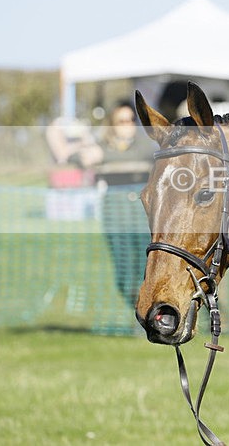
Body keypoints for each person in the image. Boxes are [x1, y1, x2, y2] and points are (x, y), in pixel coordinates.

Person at [88, 101, 155, 309]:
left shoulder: (144, 145)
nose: (128, 124)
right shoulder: (101, 144)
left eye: (131, 120)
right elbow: (77, 156)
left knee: (146, 268)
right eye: (122, 120)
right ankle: (139, 310)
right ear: (112, 124)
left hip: (141, 214)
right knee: (125, 275)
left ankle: (148, 315)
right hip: (115, 214)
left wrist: (103, 157)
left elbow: (144, 155)